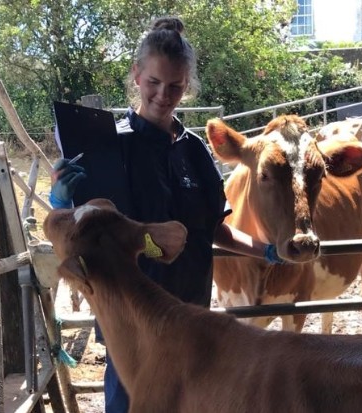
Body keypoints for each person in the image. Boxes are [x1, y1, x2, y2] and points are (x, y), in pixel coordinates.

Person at [49, 16, 282, 413]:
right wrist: (61, 203)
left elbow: (213, 231)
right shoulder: (107, 146)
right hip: (130, 320)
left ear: (187, 86)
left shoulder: (195, 152)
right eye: (154, 82)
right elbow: (83, 232)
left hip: (190, 315)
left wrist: (268, 251)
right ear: (136, 76)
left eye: (175, 86)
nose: (163, 94)